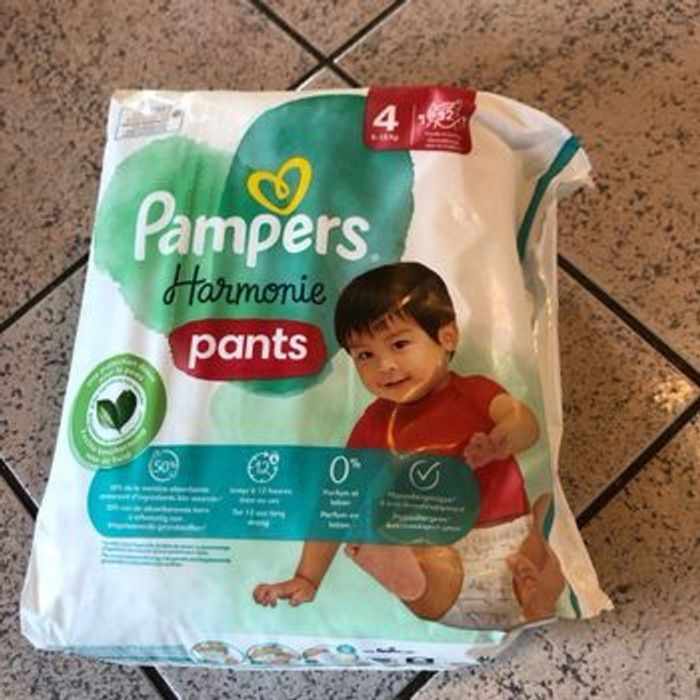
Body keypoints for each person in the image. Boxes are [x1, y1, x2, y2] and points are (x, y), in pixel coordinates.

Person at [253, 262, 564, 628]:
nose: (384, 365)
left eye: (399, 344)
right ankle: (400, 568)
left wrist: (502, 440)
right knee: (418, 551)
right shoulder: (375, 423)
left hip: (508, 548)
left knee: (539, 538)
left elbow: (525, 423)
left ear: (447, 337)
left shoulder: (474, 392)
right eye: (365, 355)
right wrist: (307, 577)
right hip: (444, 574)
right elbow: (337, 501)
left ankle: (537, 595)